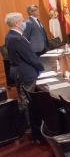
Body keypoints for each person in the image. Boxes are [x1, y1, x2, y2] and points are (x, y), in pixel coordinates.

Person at [4, 12, 44, 140]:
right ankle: (34, 129)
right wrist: (42, 68)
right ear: (17, 23)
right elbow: (30, 57)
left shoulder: (10, 36)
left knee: (24, 99)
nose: (24, 23)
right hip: (26, 74)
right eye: (22, 21)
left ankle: (30, 127)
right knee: (29, 101)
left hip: (19, 72)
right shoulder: (17, 38)